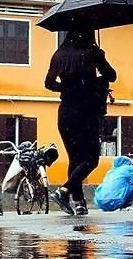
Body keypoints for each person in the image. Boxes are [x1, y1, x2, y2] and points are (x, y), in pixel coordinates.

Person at [44, 29, 117, 216]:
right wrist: (98, 68)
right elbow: (111, 75)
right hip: (87, 111)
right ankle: (64, 190)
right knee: (91, 159)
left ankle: (79, 203)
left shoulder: (59, 55)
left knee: (75, 159)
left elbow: (49, 83)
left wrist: (68, 87)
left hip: (66, 112)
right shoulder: (94, 53)